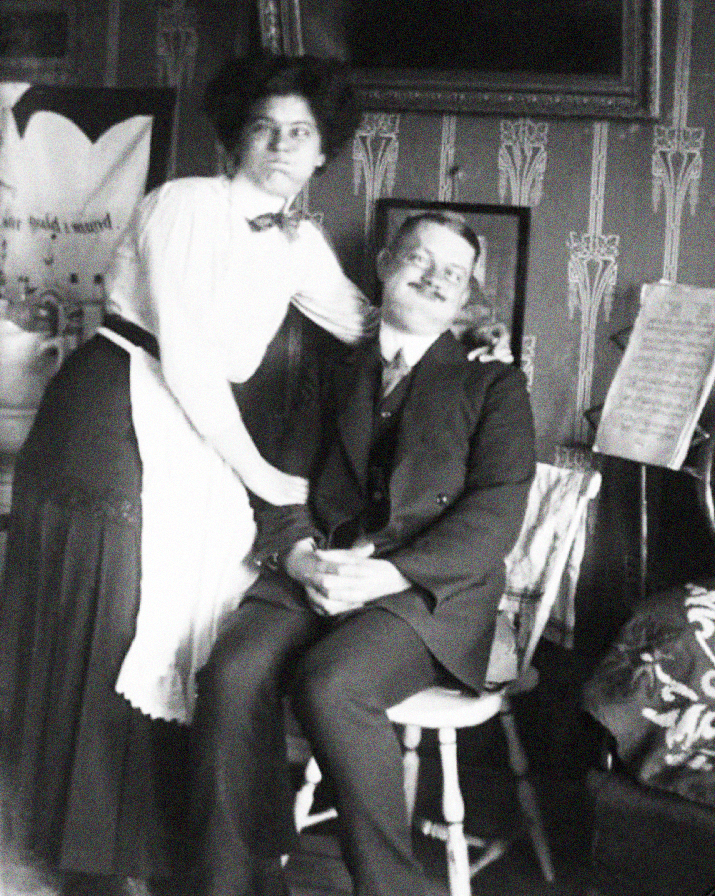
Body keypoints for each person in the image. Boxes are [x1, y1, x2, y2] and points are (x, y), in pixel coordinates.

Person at [0, 55, 507, 896]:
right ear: (236, 136)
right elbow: (192, 360)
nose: (280, 145)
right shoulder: (184, 204)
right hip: (116, 411)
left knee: (186, 622)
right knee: (113, 611)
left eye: (301, 133)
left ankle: (171, 854)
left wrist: (465, 335)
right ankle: (88, 861)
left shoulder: (298, 239)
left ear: (321, 154)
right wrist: (268, 481)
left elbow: (364, 321)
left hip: (190, 431)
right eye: (265, 127)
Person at [193, 210, 537, 896]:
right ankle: (237, 885)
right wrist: (297, 559)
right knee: (232, 669)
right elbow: (282, 487)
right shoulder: (332, 371)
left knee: (334, 682)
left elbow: (494, 517)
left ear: (468, 293)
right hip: (319, 574)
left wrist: (384, 574)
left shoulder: (493, 384)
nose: (435, 277)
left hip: (424, 594)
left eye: (454, 272)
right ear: (384, 263)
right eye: (419, 258)